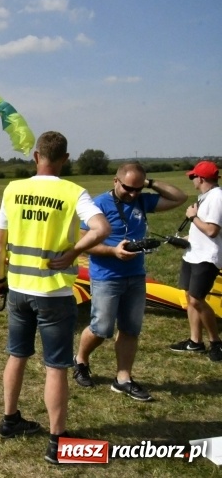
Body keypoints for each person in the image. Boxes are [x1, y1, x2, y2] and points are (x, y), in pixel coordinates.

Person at [0, 131, 110, 464]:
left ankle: (9, 420)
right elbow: (101, 230)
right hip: (55, 293)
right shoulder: (73, 192)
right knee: (56, 367)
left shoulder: (14, 189)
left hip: (18, 289)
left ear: (35, 156)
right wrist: (75, 251)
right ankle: (58, 443)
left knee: (17, 356)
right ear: (66, 159)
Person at [73, 163, 186, 401]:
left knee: (130, 329)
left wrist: (148, 183)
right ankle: (81, 359)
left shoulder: (142, 200)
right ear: (115, 181)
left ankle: (123, 379)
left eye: (137, 188)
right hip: (106, 276)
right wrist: (113, 252)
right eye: (128, 188)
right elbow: (84, 243)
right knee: (101, 329)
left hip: (136, 276)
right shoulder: (98, 205)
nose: (133, 194)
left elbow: (180, 197)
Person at [169, 160, 222, 361]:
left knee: (196, 300)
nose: (192, 180)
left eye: (193, 177)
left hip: (206, 257)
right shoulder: (205, 197)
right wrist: (185, 240)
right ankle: (195, 341)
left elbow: (212, 229)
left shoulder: (217, 197)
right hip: (193, 254)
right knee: (190, 298)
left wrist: (192, 217)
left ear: (200, 178)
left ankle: (216, 342)